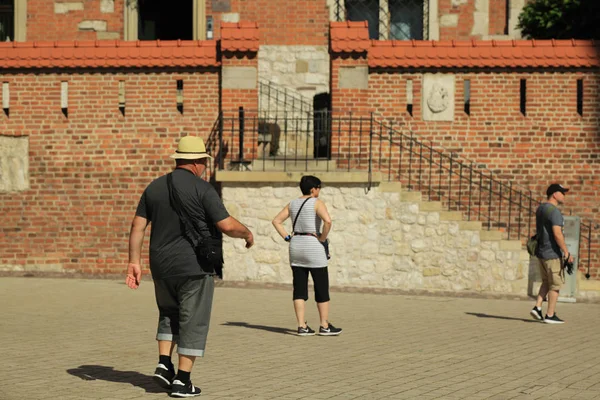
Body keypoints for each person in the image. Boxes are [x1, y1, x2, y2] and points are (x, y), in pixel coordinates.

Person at [126, 135, 254, 397]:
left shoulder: (154, 187)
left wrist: (133, 262)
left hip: (161, 265)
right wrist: (248, 233)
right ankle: (183, 381)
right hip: (194, 265)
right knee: (193, 320)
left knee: (168, 313)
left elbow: (137, 226)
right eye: (204, 162)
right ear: (197, 162)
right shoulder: (202, 188)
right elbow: (227, 225)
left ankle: (164, 364)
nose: (205, 167)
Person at [272, 175, 342, 336]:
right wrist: (323, 238)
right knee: (321, 286)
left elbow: (276, 221)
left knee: (299, 288)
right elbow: (328, 221)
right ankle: (324, 325)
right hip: (313, 246)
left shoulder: (292, 204)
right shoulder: (317, 203)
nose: (319, 190)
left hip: (296, 246)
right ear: (313, 189)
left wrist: (287, 237)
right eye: (318, 188)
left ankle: (301, 326)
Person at [529, 183, 574, 324]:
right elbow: (557, 234)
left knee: (546, 282)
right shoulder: (554, 212)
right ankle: (550, 315)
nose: (564, 195)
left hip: (541, 252)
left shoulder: (541, 208)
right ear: (554, 194)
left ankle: (537, 307)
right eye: (562, 192)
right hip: (552, 254)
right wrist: (566, 252)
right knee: (555, 285)